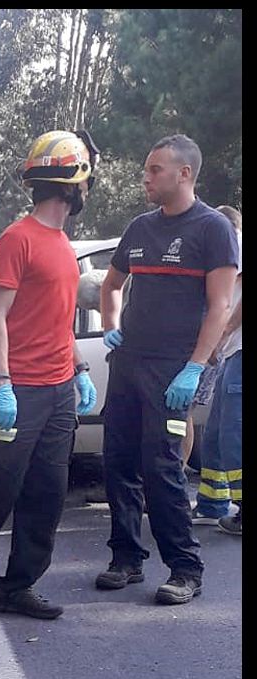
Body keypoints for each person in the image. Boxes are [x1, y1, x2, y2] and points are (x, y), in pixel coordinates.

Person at [0, 130, 101, 620]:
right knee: (2, 486)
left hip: (58, 392)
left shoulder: (61, 243)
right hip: (19, 389)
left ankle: (17, 588)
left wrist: (78, 369)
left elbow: (58, 319)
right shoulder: (19, 238)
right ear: (73, 185)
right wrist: (4, 383)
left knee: (48, 493)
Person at [95, 135, 239, 604]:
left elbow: (220, 305)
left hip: (172, 371)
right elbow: (111, 286)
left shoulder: (213, 229)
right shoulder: (139, 228)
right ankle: (126, 559)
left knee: (162, 467)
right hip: (128, 363)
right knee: (118, 461)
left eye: (155, 169)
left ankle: (185, 568)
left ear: (185, 174)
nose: (146, 178)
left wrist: (195, 367)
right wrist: (110, 327)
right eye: (146, 168)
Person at [193, 205, 242, 532]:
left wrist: (222, 332)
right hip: (231, 352)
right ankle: (212, 503)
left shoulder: (235, 241)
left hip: (239, 349)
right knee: (214, 434)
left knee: (233, 433)